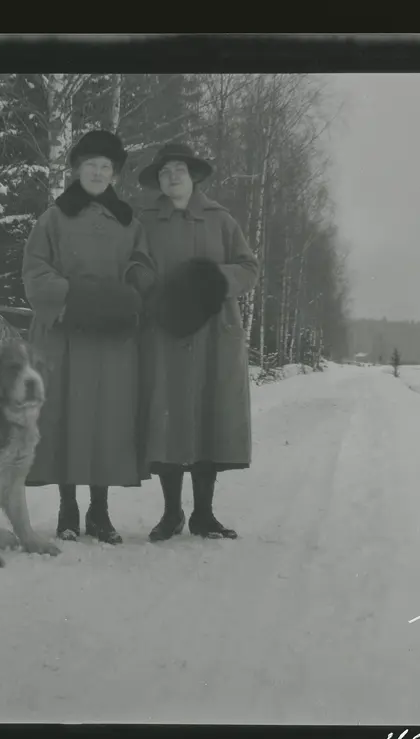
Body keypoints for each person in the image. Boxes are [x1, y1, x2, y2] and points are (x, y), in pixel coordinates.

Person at [21, 129, 156, 544]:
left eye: (105, 167)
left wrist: (133, 289)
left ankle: (100, 511)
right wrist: (73, 296)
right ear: (77, 169)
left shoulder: (129, 222)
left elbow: (142, 264)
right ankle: (68, 508)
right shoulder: (53, 218)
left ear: (114, 174)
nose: (98, 173)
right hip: (64, 334)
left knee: (107, 418)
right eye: (91, 165)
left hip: (112, 336)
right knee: (65, 415)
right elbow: (35, 270)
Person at [135, 142, 260, 542]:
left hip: (214, 335)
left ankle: (204, 515)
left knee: (209, 418)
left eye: (179, 170)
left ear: (193, 177)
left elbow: (248, 267)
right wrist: (154, 292)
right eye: (165, 171)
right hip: (165, 332)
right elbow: (134, 266)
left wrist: (212, 279)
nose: (172, 177)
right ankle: (171, 513)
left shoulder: (221, 220)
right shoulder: (145, 221)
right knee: (167, 418)